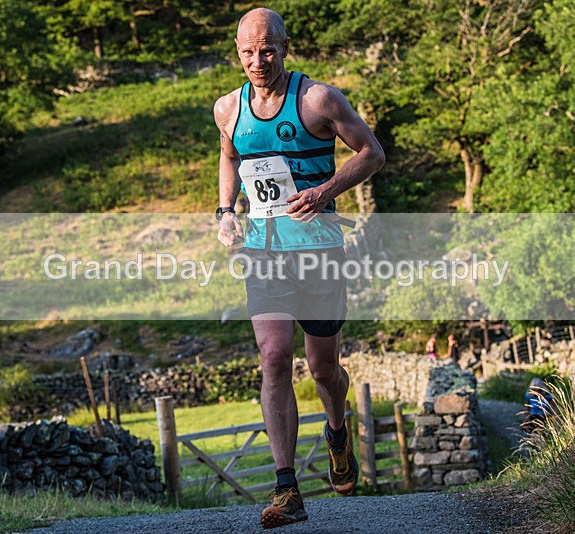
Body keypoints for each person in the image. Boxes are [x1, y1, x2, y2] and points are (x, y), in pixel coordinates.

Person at [214, 7, 385, 529]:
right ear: (238, 52)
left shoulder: (317, 100)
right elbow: (230, 156)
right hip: (263, 253)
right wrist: (225, 211)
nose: (258, 61)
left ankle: (337, 431)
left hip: (319, 252)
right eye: (248, 52)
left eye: (267, 50)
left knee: (323, 369)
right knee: (273, 357)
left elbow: (372, 153)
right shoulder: (227, 109)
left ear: (285, 47)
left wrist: (326, 190)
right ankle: (286, 487)